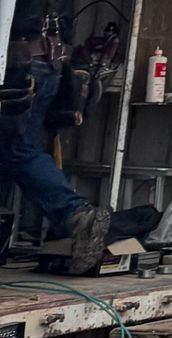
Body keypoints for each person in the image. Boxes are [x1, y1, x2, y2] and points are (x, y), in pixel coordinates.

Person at [0, 29, 109, 269]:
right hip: (45, 61)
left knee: (18, 150)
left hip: (18, 63)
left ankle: (74, 213)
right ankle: (74, 214)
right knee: (18, 150)